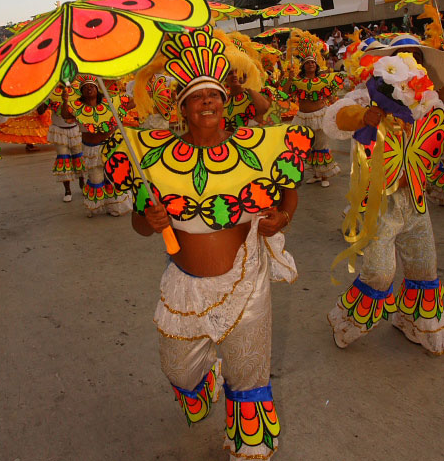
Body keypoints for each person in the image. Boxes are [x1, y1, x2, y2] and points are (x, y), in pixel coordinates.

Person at [102, 26, 314, 460]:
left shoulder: (253, 149)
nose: (208, 102)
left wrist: (282, 216)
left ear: (224, 102)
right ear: (182, 108)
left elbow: (287, 185)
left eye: (214, 95)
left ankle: (249, 446)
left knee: (249, 374)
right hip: (185, 286)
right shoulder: (154, 161)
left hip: (246, 281)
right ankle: (205, 381)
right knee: (178, 370)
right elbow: (141, 229)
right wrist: (149, 217)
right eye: (197, 97)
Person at [324, 38, 444, 355]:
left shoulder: (430, 102)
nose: (410, 60)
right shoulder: (367, 94)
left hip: (416, 204)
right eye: (402, 56)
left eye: (415, 56)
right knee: (380, 273)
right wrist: (363, 116)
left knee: (425, 269)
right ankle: (344, 321)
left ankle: (413, 322)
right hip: (379, 204)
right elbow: (334, 119)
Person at [61, 75, 134, 217]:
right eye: (86, 87)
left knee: (112, 178)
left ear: (97, 89)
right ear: (81, 92)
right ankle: (94, 207)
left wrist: (138, 95)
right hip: (91, 148)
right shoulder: (78, 107)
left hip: (110, 147)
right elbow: (65, 115)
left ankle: (114, 208)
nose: (89, 89)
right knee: (96, 179)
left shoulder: (108, 103)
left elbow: (129, 104)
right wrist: (65, 101)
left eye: (92, 86)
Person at [285, 31, 344, 188]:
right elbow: (285, 93)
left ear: (316, 66)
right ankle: (317, 175)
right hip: (302, 116)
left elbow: (331, 96)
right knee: (308, 146)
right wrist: (289, 79)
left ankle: (324, 175)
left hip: (319, 116)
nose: (311, 64)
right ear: (303, 66)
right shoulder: (297, 81)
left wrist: (338, 108)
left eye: (313, 62)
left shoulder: (323, 80)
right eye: (308, 63)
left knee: (321, 145)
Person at [37, 84, 85, 202]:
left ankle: (82, 183)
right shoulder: (52, 92)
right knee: (63, 159)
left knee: (78, 158)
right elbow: (40, 111)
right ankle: (67, 190)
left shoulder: (76, 90)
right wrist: (43, 97)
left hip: (75, 129)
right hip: (59, 131)